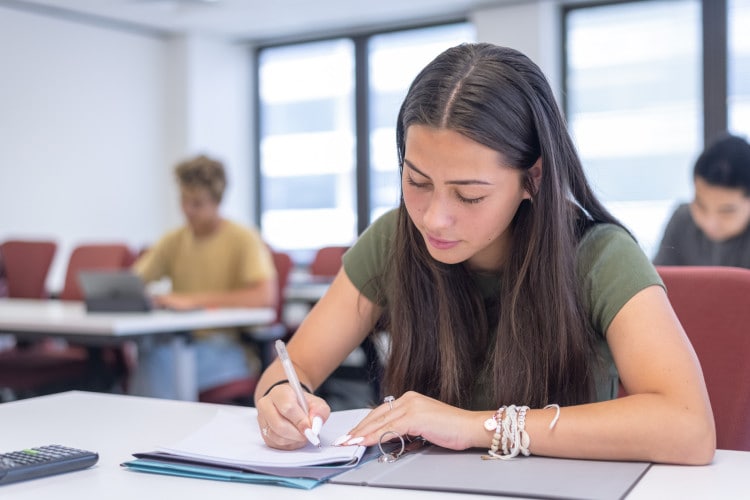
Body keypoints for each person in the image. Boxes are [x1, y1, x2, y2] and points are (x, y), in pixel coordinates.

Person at [254, 43, 715, 464]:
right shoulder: (394, 239)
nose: (434, 219)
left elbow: (688, 427)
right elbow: (294, 369)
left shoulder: (599, 257)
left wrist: (470, 426)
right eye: (416, 182)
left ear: (532, 180)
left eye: (469, 196)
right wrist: (281, 399)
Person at [131, 154, 276, 399]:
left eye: (197, 203)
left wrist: (194, 301)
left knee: (160, 362)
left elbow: (264, 296)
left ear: (217, 202)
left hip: (227, 349)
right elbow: (134, 282)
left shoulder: (243, 239)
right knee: (153, 353)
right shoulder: (174, 240)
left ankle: (158, 431)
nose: (188, 210)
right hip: (178, 343)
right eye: (184, 201)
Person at [653, 133, 750, 267]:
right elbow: (661, 278)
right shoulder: (682, 219)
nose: (710, 223)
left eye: (726, 212)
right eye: (700, 205)